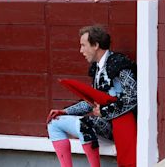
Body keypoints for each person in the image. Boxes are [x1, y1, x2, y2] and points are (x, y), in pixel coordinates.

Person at [46, 25, 137, 167]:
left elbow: (132, 98)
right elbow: (92, 101)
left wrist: (104, 111)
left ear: (95, 45)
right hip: (107, 123)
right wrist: (66, 111)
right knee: (54, 122)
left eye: (83, 45)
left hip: (122, 125)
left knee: (83, 124)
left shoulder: (119, 63)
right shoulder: (96, 68)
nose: (81, 50)